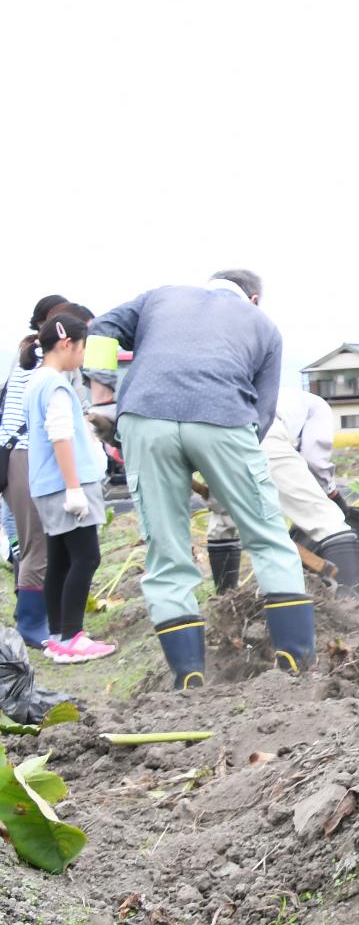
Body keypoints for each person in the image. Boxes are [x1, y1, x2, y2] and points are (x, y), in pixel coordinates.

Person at [84, 271, 311, 690]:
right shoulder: (263, 325)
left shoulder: (160, 297)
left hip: (144, 417)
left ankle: (188, 679)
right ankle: (295, 668)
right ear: (254, 299)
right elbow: (262, 414)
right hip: (224, 418)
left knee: (166, 551)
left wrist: (103, 396)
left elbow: (101, 327)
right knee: (267, 538)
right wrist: (234, 475)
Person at [205, 388, 359, 597]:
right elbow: (314, 459)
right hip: (262, 431)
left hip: (214, 432)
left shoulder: (264, 393)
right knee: (325, 518)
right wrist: (331, 493)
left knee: (224, 517)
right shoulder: (317, 405)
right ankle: (355, 598)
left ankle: (226, 597)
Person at [22, 312, 116, 663]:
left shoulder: (37, 381)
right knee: (86, 557)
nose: (83, 355)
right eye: (82, 347)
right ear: (66, 344)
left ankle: (59, 636)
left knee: (60, 560)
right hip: (66, 485)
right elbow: (60, 436)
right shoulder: (57, 386)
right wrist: (74, 488)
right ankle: (73, 636)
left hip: (46, 485)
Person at [4, 294, 74, 648]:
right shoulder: (40, 361)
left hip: (19, 455)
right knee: (38, 544)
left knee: (36, 541)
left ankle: (40, 618)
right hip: (25, 454)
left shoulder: (32, 355)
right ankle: (32, 625)